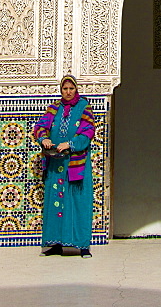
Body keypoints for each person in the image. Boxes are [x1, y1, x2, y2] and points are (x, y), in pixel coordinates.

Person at [33, 74, 95, 256]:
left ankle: (82, 246)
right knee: (55, 201)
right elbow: (40, 127)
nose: (68, 92)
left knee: (77, 202)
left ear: (76, 89)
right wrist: (44, 139)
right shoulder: (54, 108)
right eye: (65, 89)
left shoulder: (84, 107)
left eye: (71, 89)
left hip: (76, 165)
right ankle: (56, 244)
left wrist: (70, 144)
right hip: (56, 165)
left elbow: (88, 131)